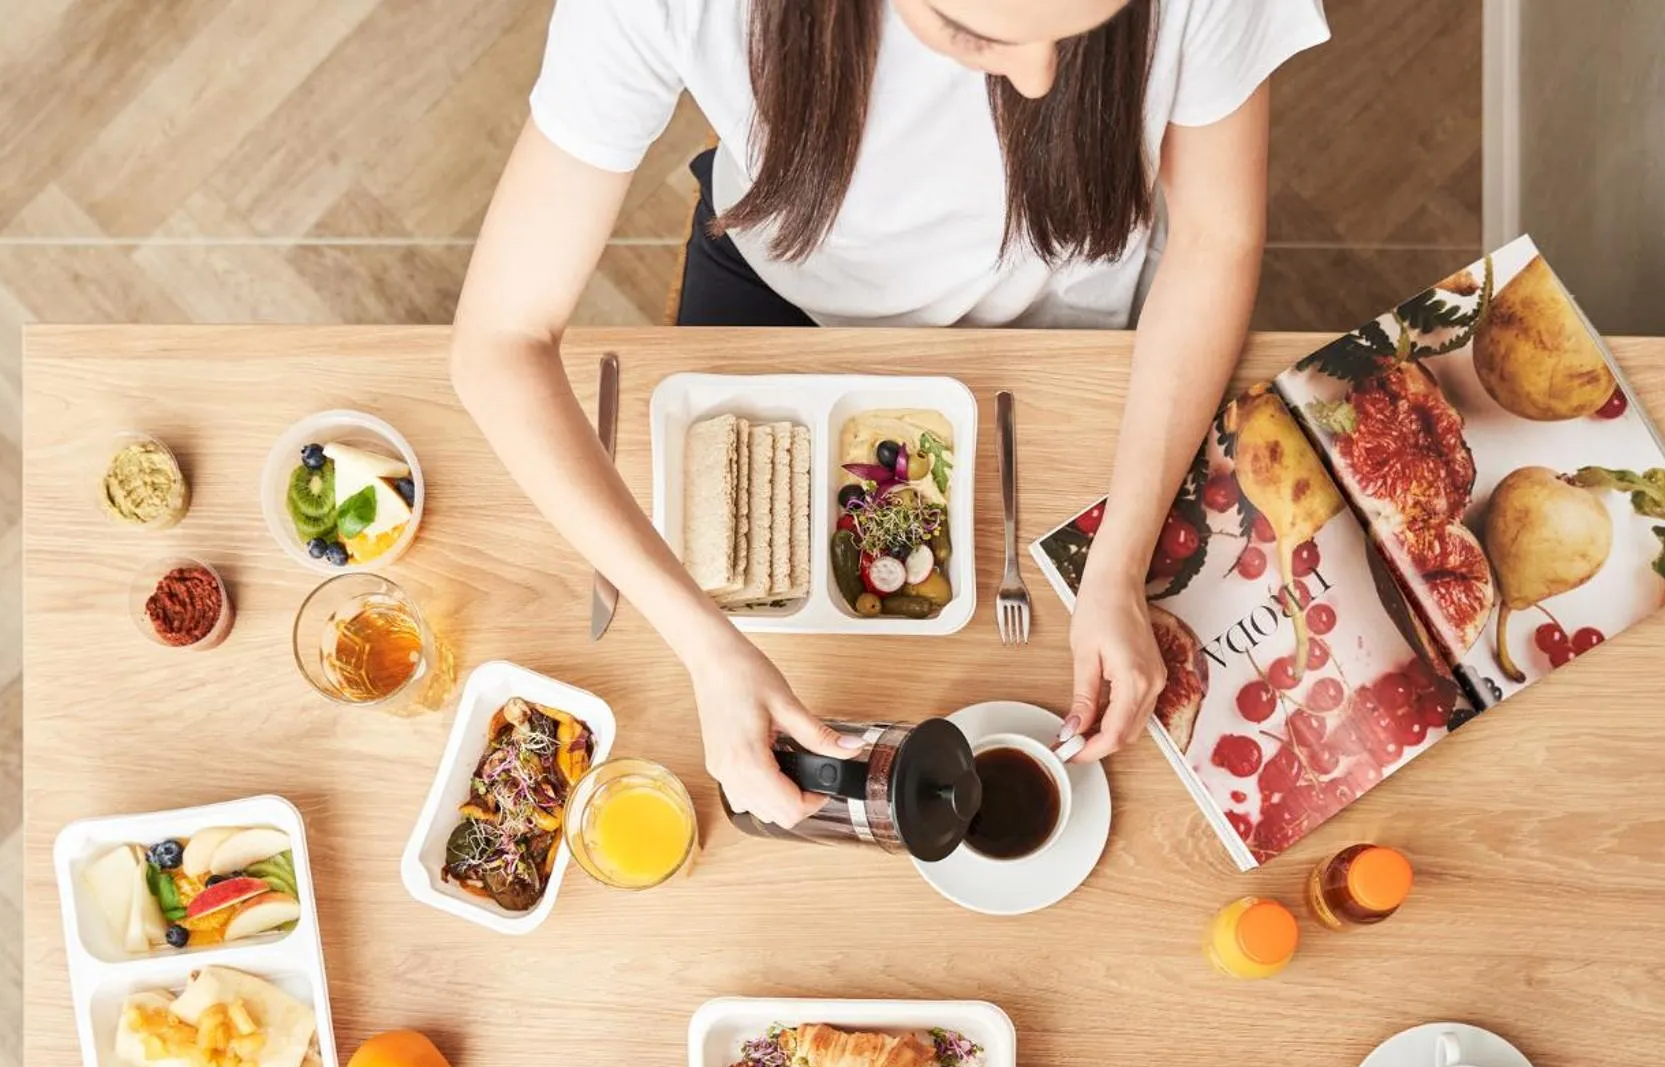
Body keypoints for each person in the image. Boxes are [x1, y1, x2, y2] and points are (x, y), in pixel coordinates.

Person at [451, 0, 1328, 828]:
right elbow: (499, 342)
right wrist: (706, 647)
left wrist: (1118, 562)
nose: (1037, 82)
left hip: (1069, 304)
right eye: (974, 32)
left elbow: (1215, 236)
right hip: (780, 272)